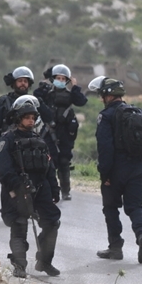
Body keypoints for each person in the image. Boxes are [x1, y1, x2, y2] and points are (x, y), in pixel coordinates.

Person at [88, 76, 142, 264]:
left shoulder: (106, 116)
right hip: (138, 168)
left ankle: (115, 247)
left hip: (116, 170)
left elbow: (105, 147)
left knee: (111, 207)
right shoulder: (139, 113)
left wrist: (105, 174)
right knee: (135, 207)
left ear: (107, 96)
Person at [0, 96, 61, 278]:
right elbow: (4, 170)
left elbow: (49, 167)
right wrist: (18, 187)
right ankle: (19, 265)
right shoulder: (8, 140)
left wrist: (54, 188)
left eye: (33, 118)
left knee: (52, 222)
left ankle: (45, 261)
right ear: (18, 118)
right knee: (19, 224)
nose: (31, 121)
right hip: (17, 189)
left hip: (40, 188)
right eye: (27, 118)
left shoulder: (39, 140)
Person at [34, 64, 87, 200]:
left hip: (65, 132)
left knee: (64, 162)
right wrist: (43, 86)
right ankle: (49, 189)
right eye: (58, 78)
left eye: (63, 79)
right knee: (49, 161)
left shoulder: (70, 94)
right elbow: (36, 97)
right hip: (49, 131)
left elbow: (81, 101)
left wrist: (75, 87)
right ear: (53, 79)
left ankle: (65, 191)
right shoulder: (47, 93)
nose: (61, 81)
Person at [0, 66, 35, 151]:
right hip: (8, 144)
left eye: (25, 81)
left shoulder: (33, 101)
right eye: (20, 81)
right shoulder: (4, 101)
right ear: (14, 83)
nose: (23, 83)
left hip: (29, 144)